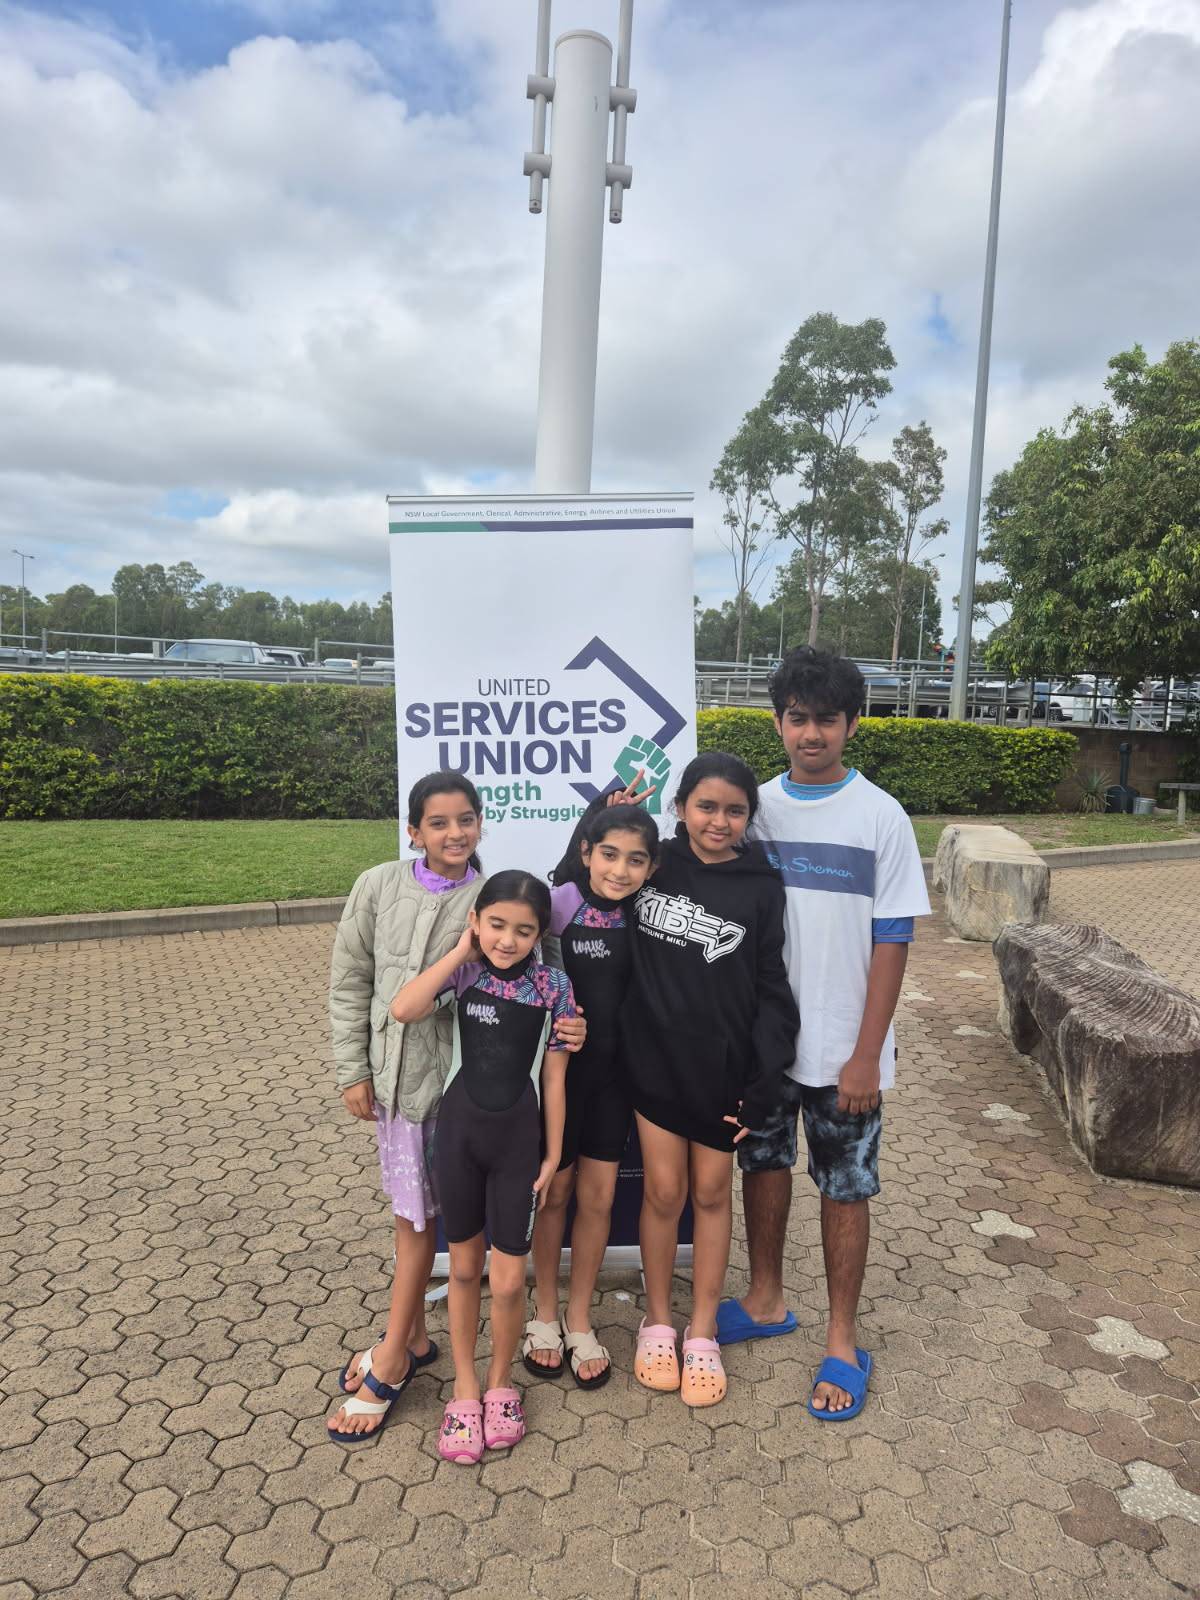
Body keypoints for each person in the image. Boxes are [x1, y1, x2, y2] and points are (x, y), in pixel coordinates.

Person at [326, 776, 584, 1445]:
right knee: (416, 1225)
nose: (453, 833)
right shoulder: (380, 887)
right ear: (413, 830)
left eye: (466, 819)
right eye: (437, 822)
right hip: (404, 1089)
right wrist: (354, 1068)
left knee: (469, 1254)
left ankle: (408, 1353)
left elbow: (549, 991)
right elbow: (360, 984)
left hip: (479, 1111)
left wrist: (571, 1029)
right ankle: (407, 1348)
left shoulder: (501, 907)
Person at [717, 646, 930, 1422]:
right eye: (798, 718)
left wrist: (867, 1053)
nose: (812, 733)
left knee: (845, 1187)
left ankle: (843, 1339)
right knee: (763, 1166)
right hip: (765, 1045)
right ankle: (766, 1298)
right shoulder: (756, 812)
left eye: (828, 720)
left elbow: (893, 939)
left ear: (852, 725)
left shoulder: (881, 816)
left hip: (847, 1050)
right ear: (778, 723)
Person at [623, 753, 799, 1407]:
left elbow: (771, 985)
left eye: (734, 810)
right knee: (664, 1192)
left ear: (749, 817)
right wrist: (605, 813)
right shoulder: (652, 864)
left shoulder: (762, 886)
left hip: (723, 1071)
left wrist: (765, 1079)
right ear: (679, 808)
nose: (719, 821)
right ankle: (657, 1322)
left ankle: (701, 1331)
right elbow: (583, 880)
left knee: (711, 1192)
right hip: (652, 1062)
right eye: (706, 806)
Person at [387, 870, 576, 1464]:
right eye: (495, 925)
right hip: (459, 1142)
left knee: (511, 1279)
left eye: (524, 930)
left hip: (519, 1146)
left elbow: (554, 1078)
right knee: (466, 1270)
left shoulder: (553, 987)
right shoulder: (464, 975)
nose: (507, 940)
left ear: (540, 934)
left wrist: (552, 1153)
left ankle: (500, 1382)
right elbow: (404, 1008)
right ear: (476, 922)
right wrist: (459, 952)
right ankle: (465, 1387)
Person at [523, 804, 661, 1389]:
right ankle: (544, 1313)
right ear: (585, 853)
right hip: (560, 1079)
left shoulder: (649, 912)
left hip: (616, 1079)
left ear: (652, 868)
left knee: (599, 1198)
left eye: (635, 860)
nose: (620, 870)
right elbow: (516, 973)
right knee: (554, 1193)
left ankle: (579, 1318)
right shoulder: (558, 904)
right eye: (608, 854)